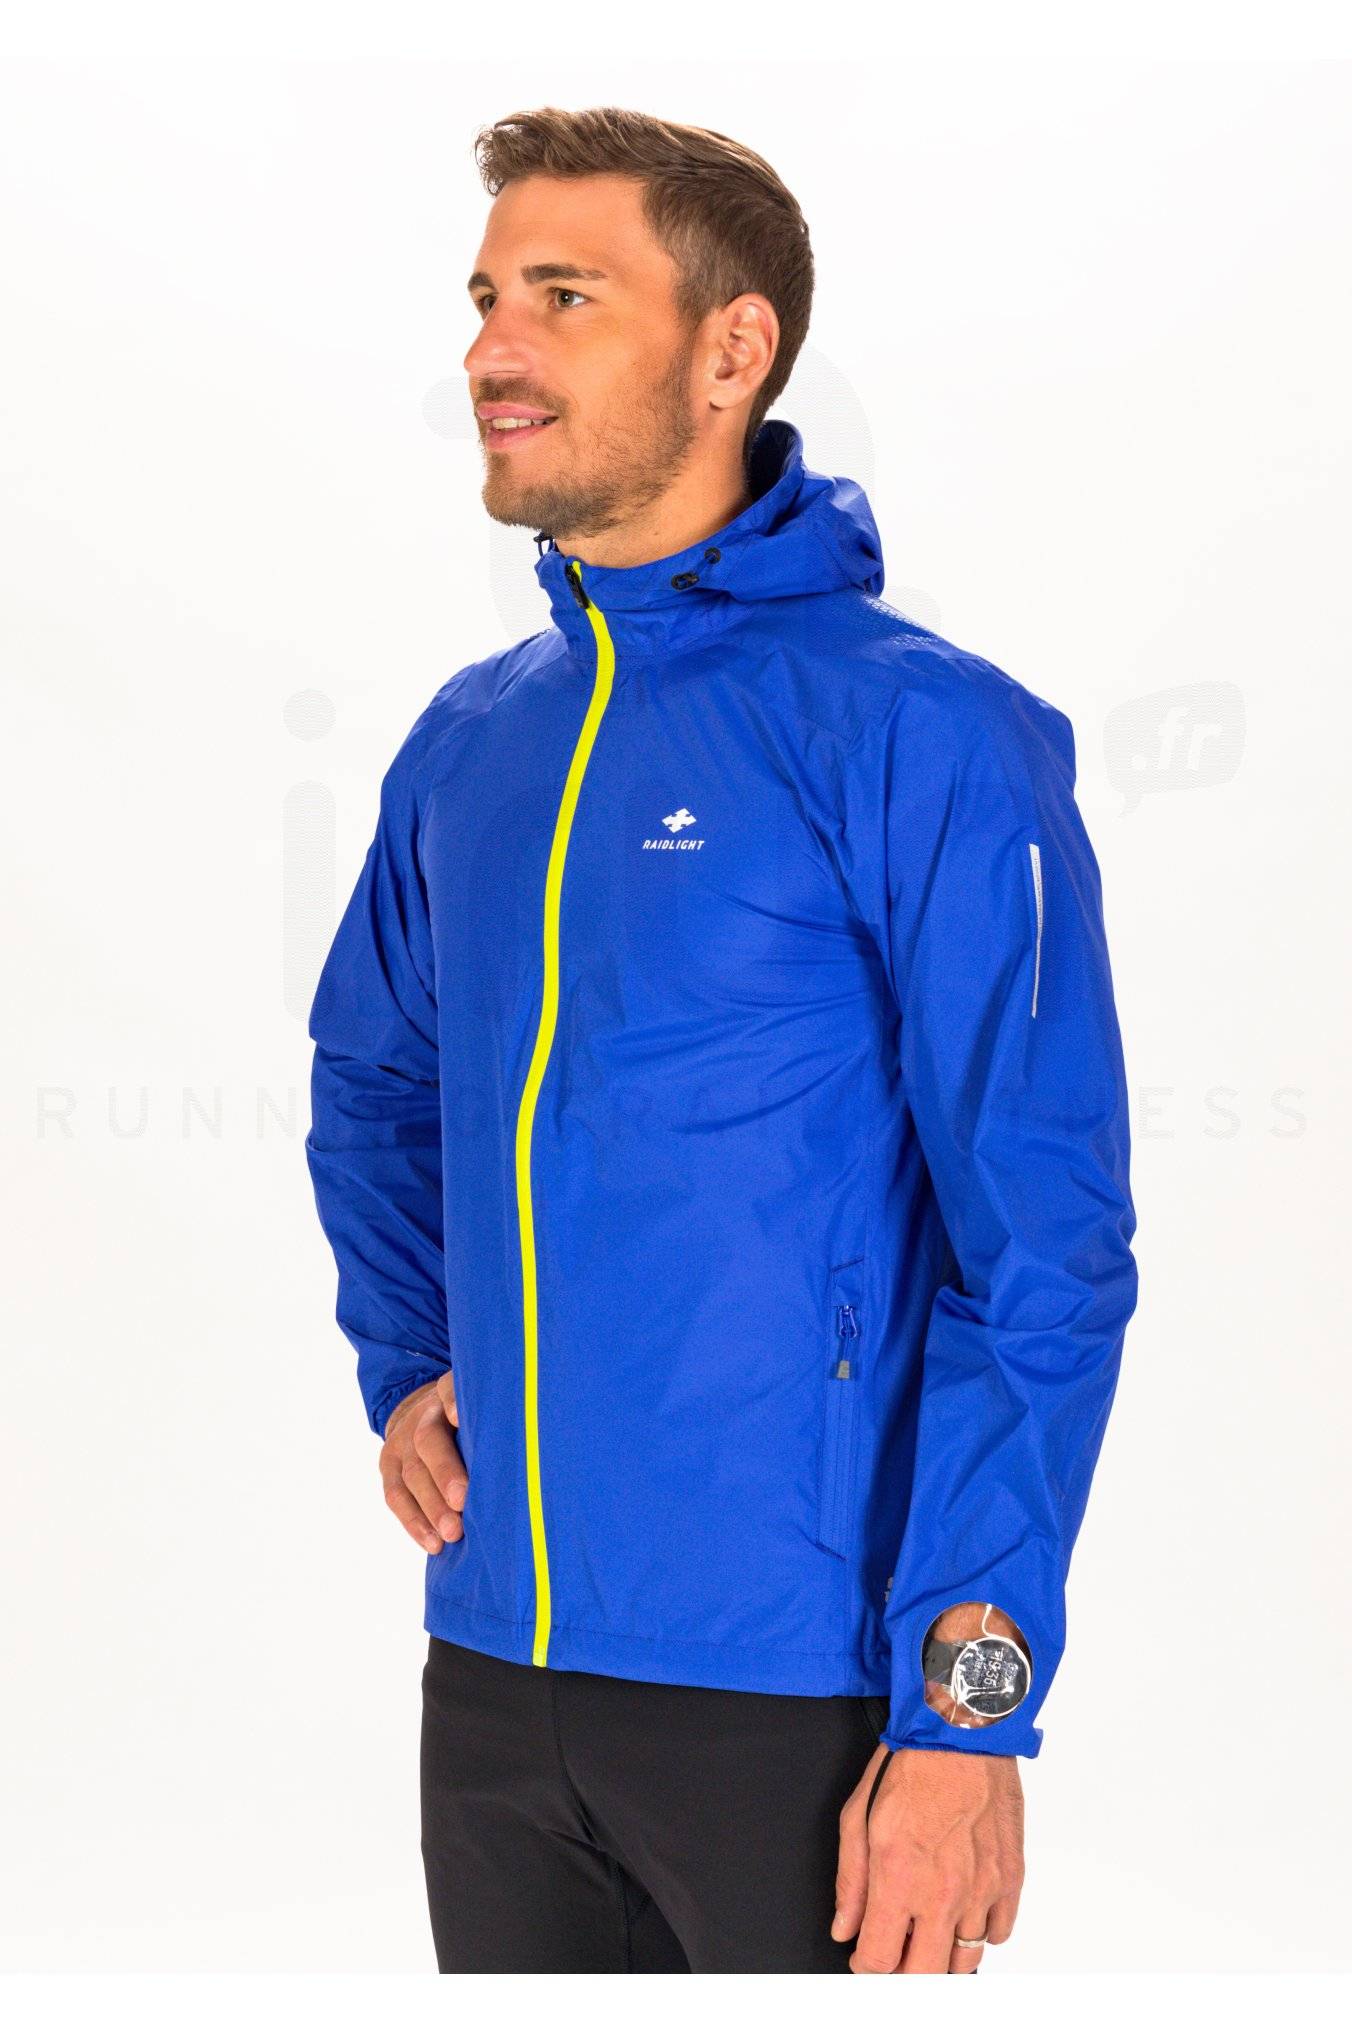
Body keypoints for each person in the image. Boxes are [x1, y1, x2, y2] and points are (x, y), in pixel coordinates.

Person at [304, 103, 1138, 1976]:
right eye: (486, 298)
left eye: (564, 296)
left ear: (731, 349)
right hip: (496, 1679)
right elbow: (372, 1081)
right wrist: (410, 1354)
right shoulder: (475, 737)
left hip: (803, 1695)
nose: (493, 350)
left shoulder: (925, 734)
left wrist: (970, 1712)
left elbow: (1046, 1252)